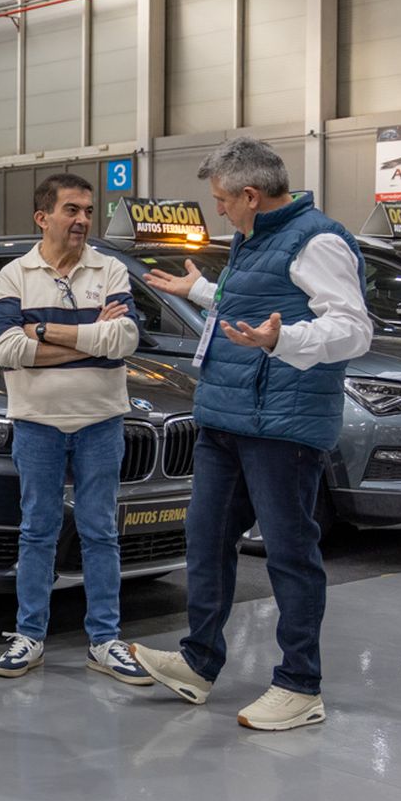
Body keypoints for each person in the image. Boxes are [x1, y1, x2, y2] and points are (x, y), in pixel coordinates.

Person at [133, 137, 372, 730]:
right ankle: (198, 661)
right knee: (206, 536)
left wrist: (282, 340)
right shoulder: (253, 238)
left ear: (250, 194)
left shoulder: (318, 240)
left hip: (281, 427)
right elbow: (256, 309)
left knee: (290, 553)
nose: (217, 211)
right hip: (227, 419)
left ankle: (299, 685)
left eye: (220, 200)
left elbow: (352, 330)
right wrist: (202, 292)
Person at [0, 173, 150, 685]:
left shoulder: (111, 268)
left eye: (87, 210)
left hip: (101, 420)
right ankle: (29, 636)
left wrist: (41, 331)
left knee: (101, 531)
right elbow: (4, 349)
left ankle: (104, 640)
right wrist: (89, 338)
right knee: (38, 530)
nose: (82, 220)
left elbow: (124, 339)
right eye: (71, 210)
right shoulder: (16, 274)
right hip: (38, 424)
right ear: (43, 217)